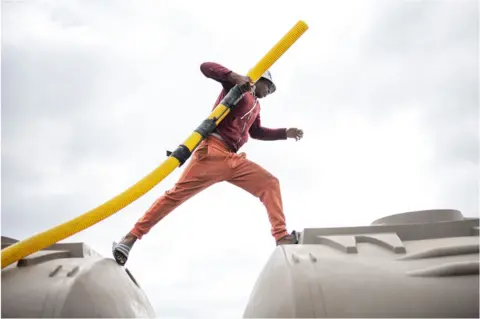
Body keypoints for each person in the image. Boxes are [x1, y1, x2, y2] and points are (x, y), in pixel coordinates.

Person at [112, 62, 304, 265]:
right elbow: (206, 67)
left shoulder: (256, 105)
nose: (269, 92)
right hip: (211, 152)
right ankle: (129, 239)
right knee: (174, 197)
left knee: (269, 183)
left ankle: (281, 237)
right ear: (261, 79)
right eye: (269, 87)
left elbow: (256, 132)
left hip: (233, 159)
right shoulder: (239, 88)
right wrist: (234, 77)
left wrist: (285, 133)